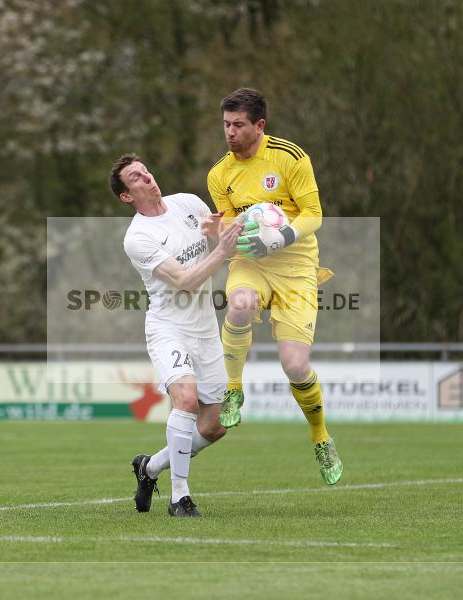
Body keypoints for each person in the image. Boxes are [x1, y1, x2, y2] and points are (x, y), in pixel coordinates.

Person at [206, 87, 343, 485]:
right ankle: (233, 387)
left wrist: (280, 237)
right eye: (226, 125)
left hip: (297, 266)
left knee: (295, 365)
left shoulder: (290, 157)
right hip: (251, 262)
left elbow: (314, 214)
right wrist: (224, 233)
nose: (230, 132)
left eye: (238, 125)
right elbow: (230, 226)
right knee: (241, 304)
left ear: (259, 125)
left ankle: (320, 435)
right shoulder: (219, 174)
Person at [111, 153, 242, 517]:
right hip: (168, 329)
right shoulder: (138, 238)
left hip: (205, 332)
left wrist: (220, 231)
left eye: (145, 170)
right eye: (136, 177)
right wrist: (221, 249)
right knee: (184, 398)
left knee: (215, 427)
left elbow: (218, 241)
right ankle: (179, 498)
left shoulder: (188, 202)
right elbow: (184, 281)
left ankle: (149, 468)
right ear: (126, 196)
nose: (147, 177)